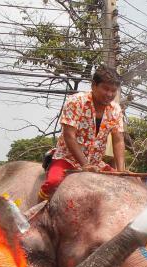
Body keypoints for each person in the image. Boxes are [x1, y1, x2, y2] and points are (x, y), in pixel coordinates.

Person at [39, 65, 126, 200]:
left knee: (124, 187)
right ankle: (38, 215)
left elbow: (118, 140)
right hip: (68, 159)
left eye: (113, 90)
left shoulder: (116, 110)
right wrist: (85, 165)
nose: (109, 94)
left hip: (96, 163)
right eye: (106, 89)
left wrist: (121, 171)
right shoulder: (76, 101)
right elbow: (69, 136)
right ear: (93, 85)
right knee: (53, 183)